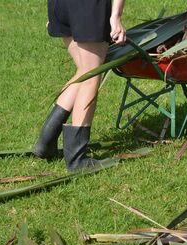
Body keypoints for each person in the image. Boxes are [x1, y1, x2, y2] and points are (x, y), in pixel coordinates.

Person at [33, 0, 126, 172]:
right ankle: (77, 160)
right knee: (91, 75)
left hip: (60, 5)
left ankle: (46, 142)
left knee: (84, 72)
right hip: (87, 7)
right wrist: (116, 17)